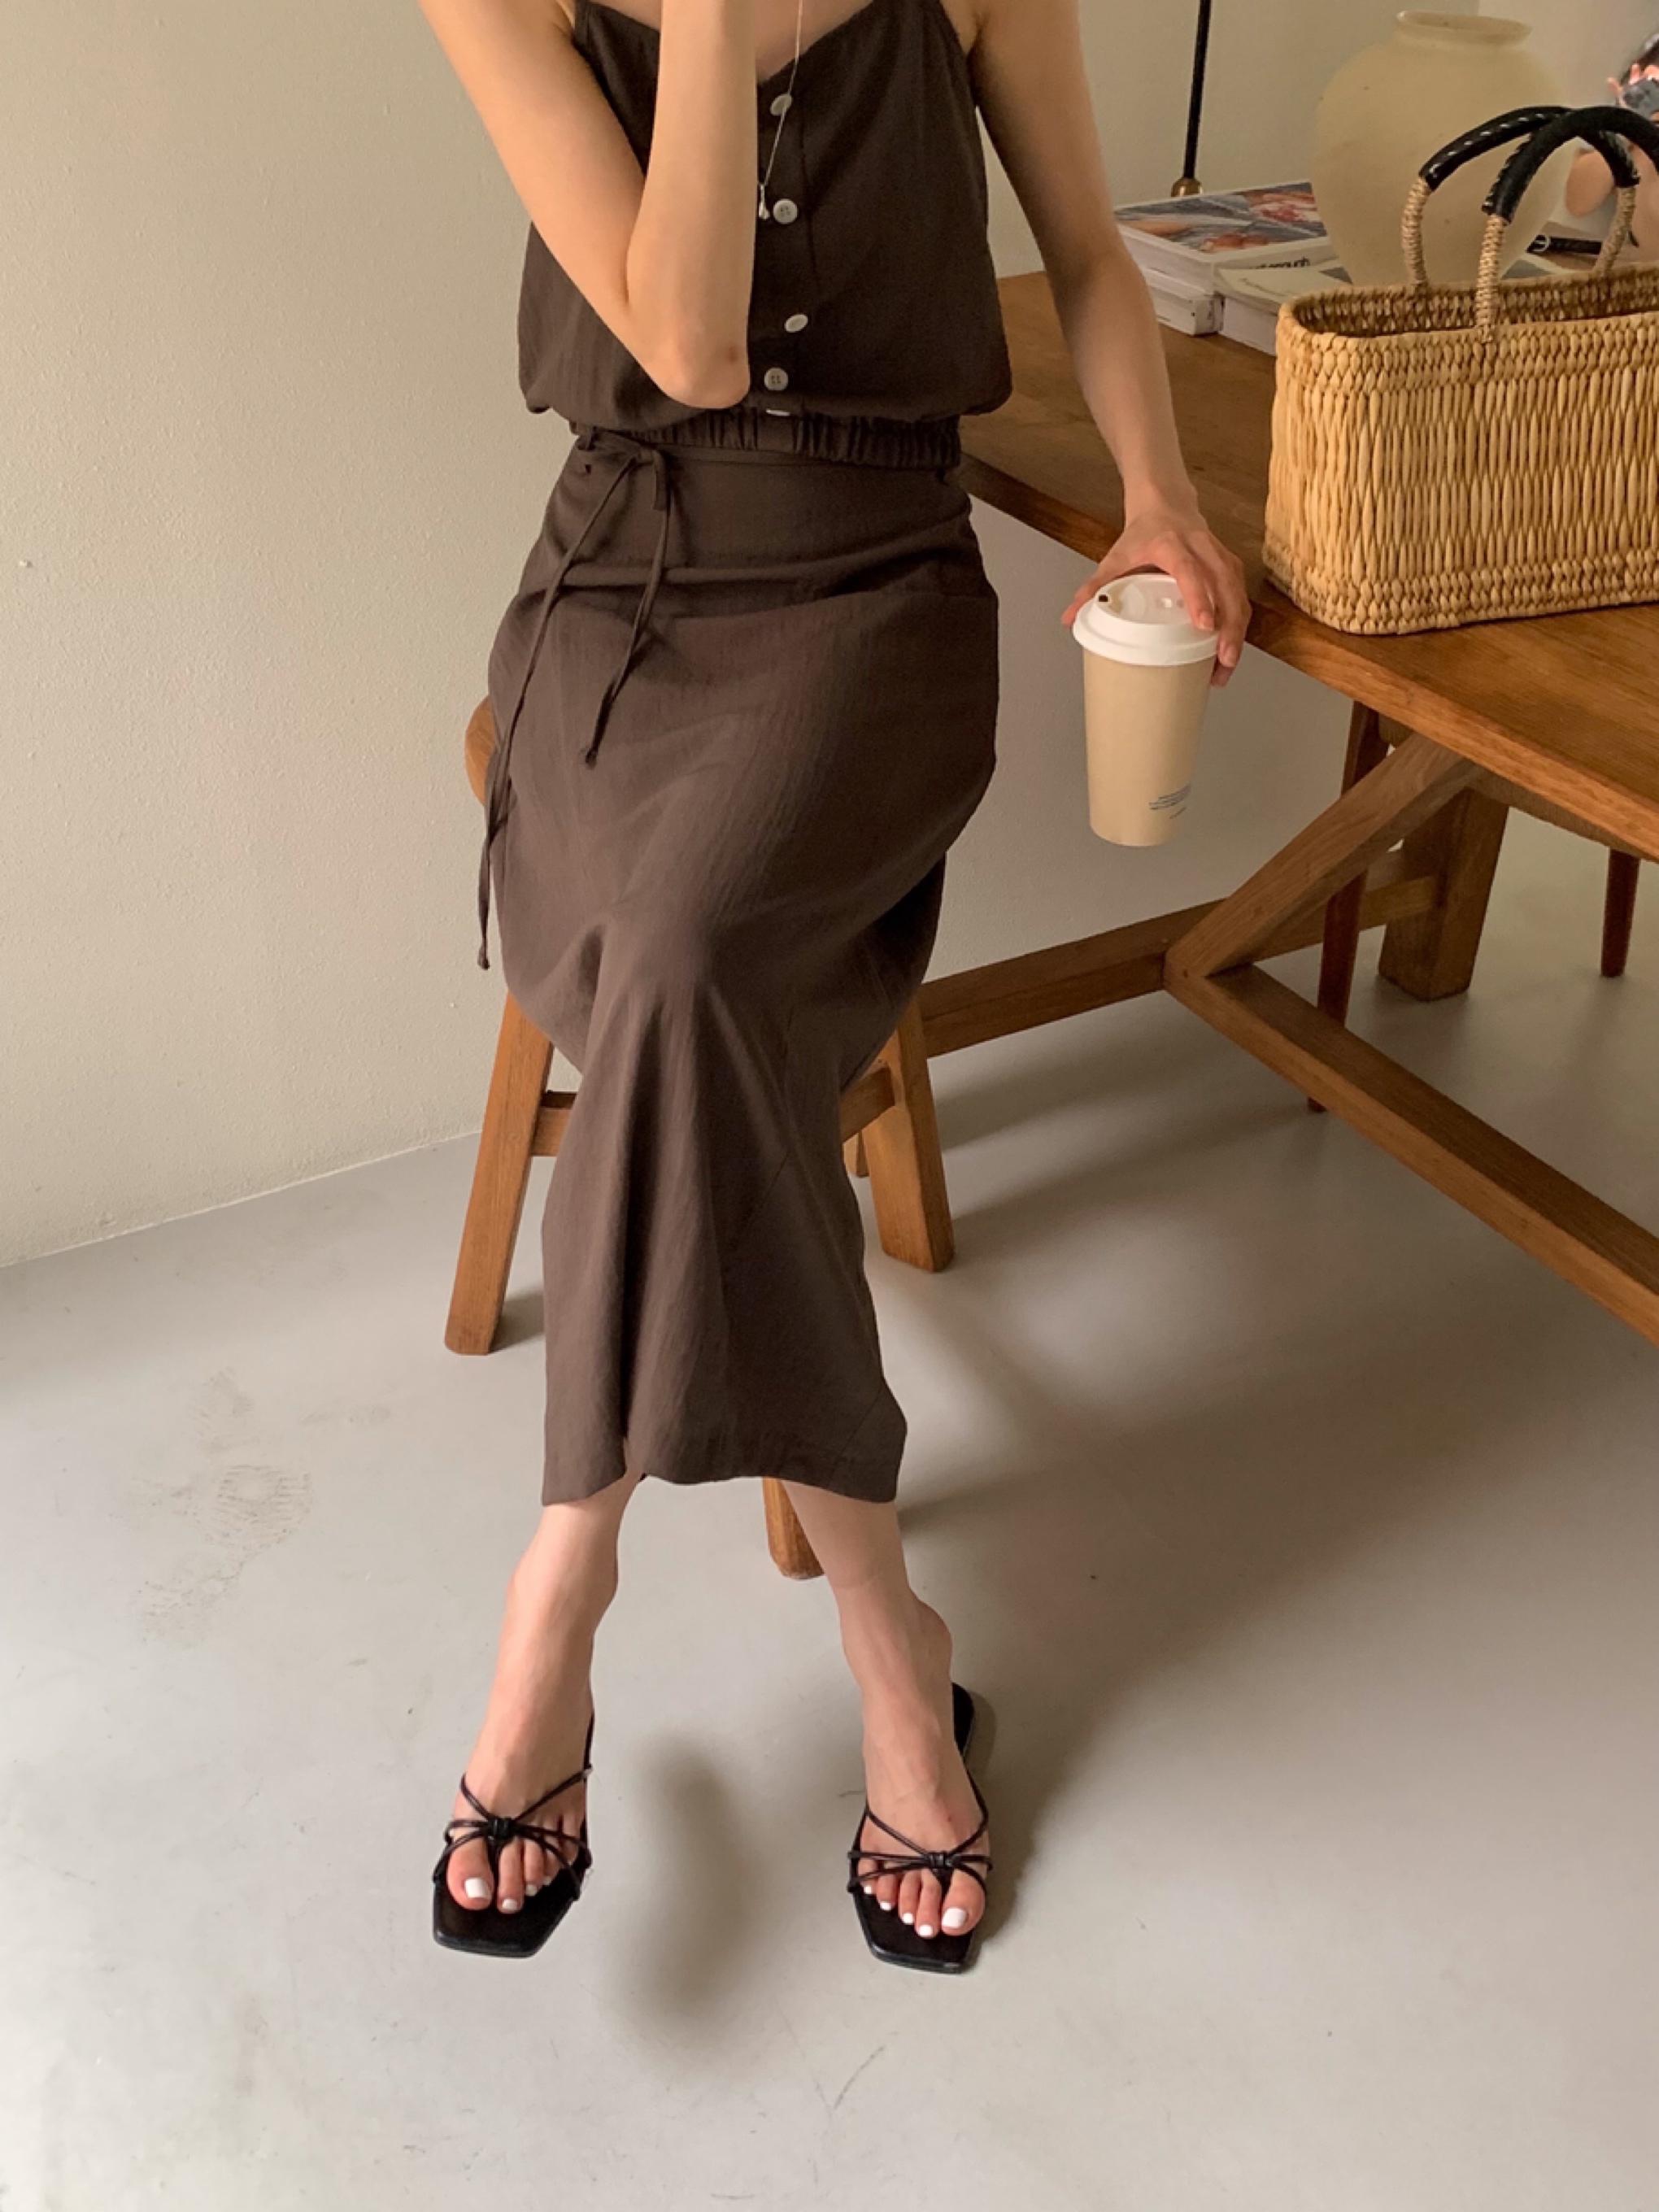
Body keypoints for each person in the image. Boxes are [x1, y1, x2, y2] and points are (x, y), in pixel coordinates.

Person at [414, 0, 1251, 1970]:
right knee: (685, 987)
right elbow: (687, 347)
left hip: (874, 594)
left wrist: (1159, 493)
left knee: (684, 963)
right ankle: (892, 1639)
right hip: (615, 602)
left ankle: (560, 1584)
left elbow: (1092, 256)